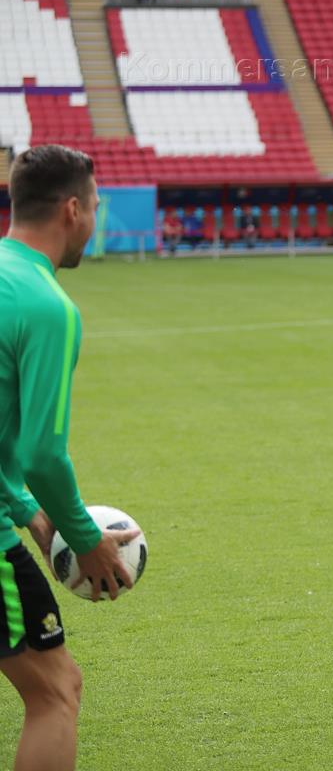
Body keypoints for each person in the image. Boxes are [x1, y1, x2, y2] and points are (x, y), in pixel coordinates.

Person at [0, 145, 140, 771]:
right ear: (73, 209)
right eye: (97, 206)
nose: (95, 219)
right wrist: (85, 539)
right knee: (56, 692)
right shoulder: (47, 306)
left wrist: (28, 512)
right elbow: (41, 453)